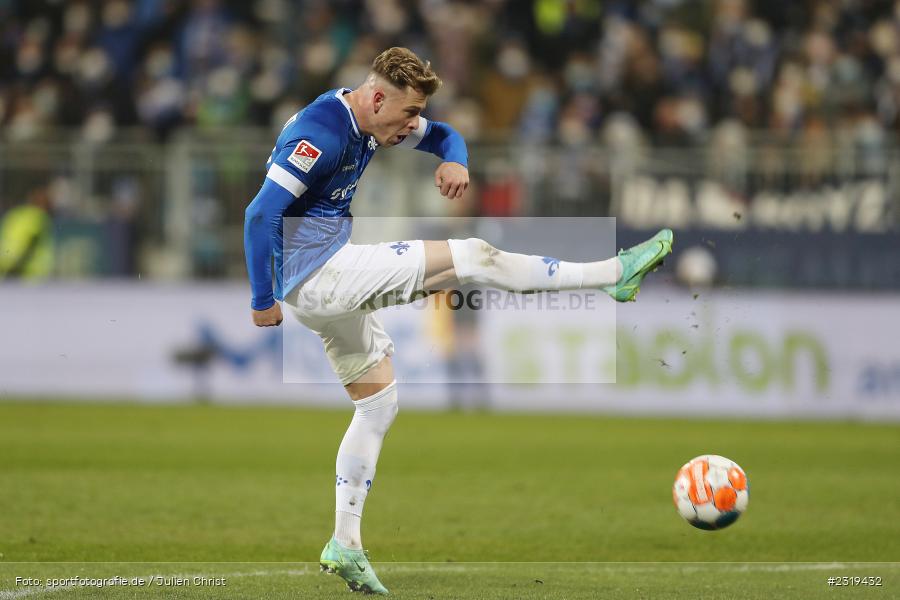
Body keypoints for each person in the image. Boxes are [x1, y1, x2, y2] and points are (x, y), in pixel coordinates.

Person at [243, 47, 673, 595]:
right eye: (405, 115)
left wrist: (457, 159)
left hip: (325, 278)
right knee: (474, 256)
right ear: (378, 97)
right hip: (318, 277)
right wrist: (262, 298)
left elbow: (444, 135)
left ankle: (344, 545)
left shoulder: (373, 115)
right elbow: (260, 213)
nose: (408, 128)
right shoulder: (321, 132)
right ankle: (612, 273)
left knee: (378, 404)